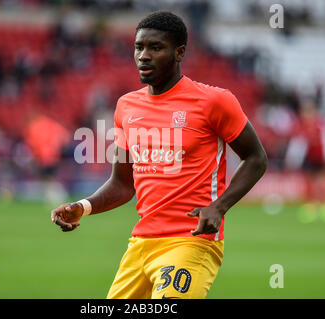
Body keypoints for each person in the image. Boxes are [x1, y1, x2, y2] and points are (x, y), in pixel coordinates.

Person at [51, 11, 268, 299]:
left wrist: (219, 206)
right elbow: (123, 184)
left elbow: (256, 158)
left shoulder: (214, 101)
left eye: (156, 48)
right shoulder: (126, 106)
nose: (144, 55)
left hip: (190, 242)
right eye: (139, 47)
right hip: (140, 243)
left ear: (179, 53)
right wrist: (83, 206)